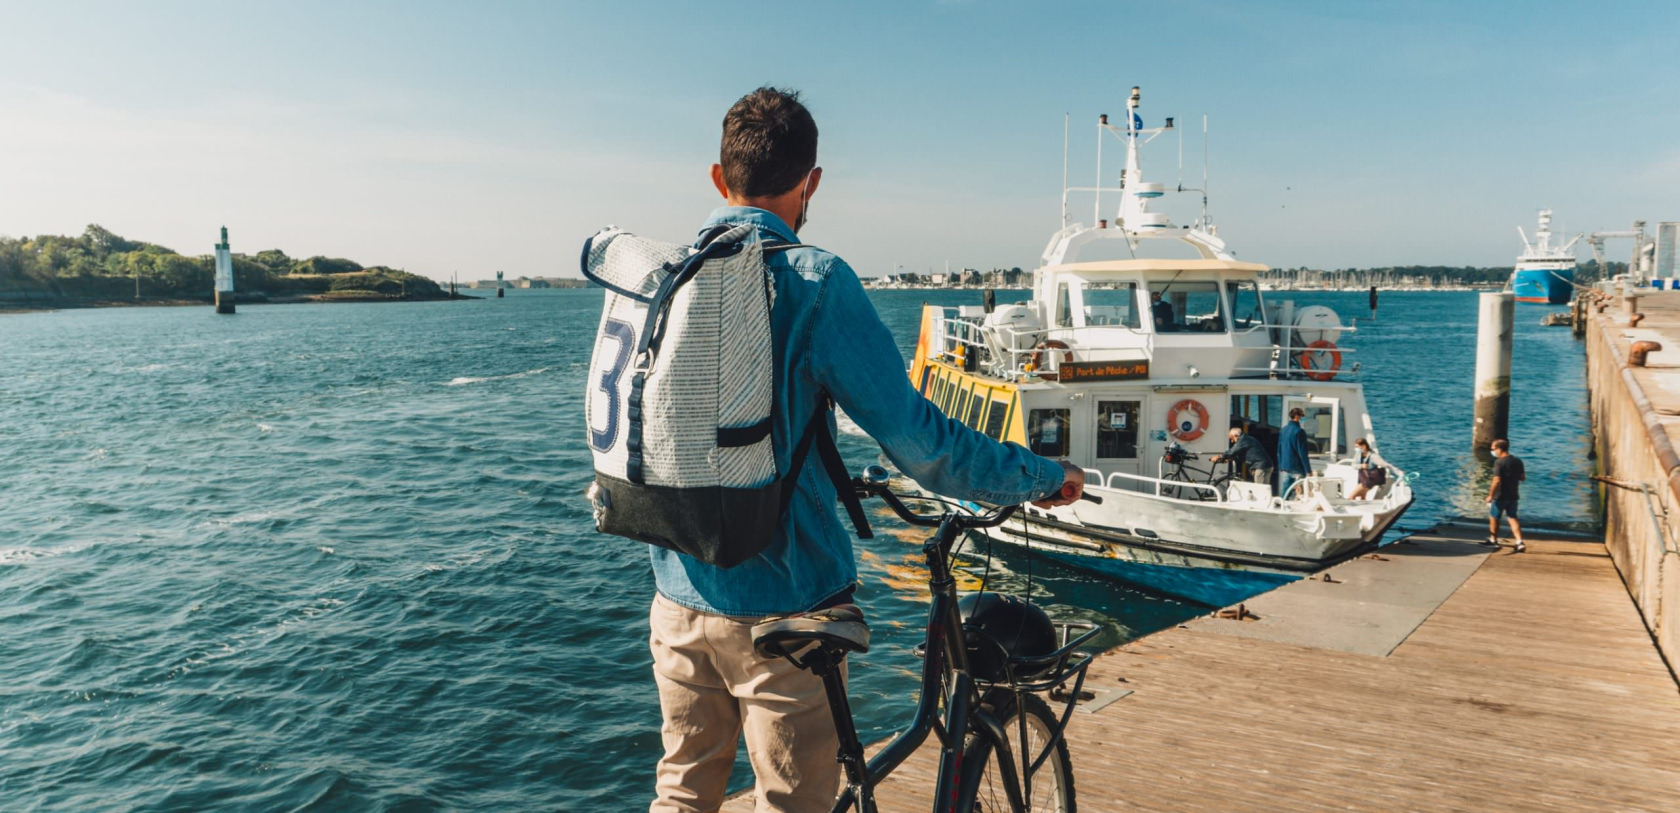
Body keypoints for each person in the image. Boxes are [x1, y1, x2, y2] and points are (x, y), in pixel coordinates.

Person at [644, 87, 1085, 813]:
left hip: (677, 594)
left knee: (683, 792)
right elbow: (922, 442)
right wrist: (1038, 475)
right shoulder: (816, 283)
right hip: (789, 608)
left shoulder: (668, 278)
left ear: (719, 180)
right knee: (793, 803)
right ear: (811, 182)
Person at [1486, 438, 1526, 553]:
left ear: (1499, 449)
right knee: (1512, 517)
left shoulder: (1499, 462)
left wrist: (1490, 495)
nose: (1492, 451)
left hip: (1500, 495)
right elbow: (1522, 478)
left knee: (1494, 517)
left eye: (1493, 449)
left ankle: (1493, 539)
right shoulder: (1517, 461)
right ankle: (1519, 541)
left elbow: (1497, 481)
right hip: (1513, 494)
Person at [1212, 423, 1274, 489]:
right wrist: (1229, 459)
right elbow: (1241, 454)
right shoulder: (1247, 439)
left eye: (1231, 438)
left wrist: (1219, 456)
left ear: (1236, 435)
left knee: (1260, 489)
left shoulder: (1243, 440)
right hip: (1264, 465)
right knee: (1263, 488)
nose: (1232, 441)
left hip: (1261, 466)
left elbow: (1232, 451)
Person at [1277, 407, 1312, 500]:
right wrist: (1308, 470)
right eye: (1302, 416)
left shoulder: (1283, 430)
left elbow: (1279, 449)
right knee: (1300, 491)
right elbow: (1302, 452)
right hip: (1296, 466)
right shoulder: (1299, 431)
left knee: (1286, 489)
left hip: (1286, 465)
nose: (1302, 418)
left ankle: (1282, 503)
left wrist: (1280, 464)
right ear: (1297, 416)